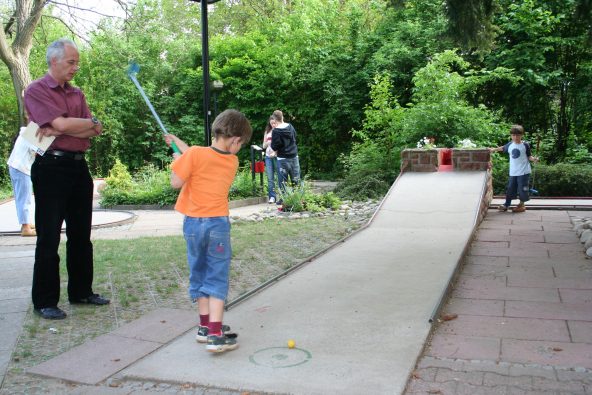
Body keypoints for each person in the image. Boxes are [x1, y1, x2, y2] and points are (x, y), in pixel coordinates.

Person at [24, 38, 110, 320]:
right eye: (71, 62)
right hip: (51, 168)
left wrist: (71, 126)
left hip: (78, 168)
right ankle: (45, 301)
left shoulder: (77, 94)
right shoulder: (36, 90)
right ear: (53, 61)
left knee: (81, 235)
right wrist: (80, 125)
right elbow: (64, 125)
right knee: (49, 236)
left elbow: (92, 130)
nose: (76, 67)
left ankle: (81, 291)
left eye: (77, 62)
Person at [165, 109, 253, 353]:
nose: (240, 148)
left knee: (200, 272)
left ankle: (204, 328)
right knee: (216, 275)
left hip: (193, 225)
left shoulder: (194, 155)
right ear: (235, 140)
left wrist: (177, 161)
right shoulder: (230, 161)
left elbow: (177, 179)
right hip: (216, 225)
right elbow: (198, 154)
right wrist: (178, 146)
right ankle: (216, 333)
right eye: (241, 144)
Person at [490, 124, 539, 213]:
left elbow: (529, 156)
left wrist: (534, 159)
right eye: (513, 135)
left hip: (524, 172)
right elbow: (502, 148)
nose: (516, 137)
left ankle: (521, 205)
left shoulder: (525, 145)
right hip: (513, 172)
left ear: (522, 135)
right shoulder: (510, 144)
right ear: (511, 135)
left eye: (518, 135)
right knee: (510, 188)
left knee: (523, 188)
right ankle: (506, 205)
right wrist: (493, 150)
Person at [7, 126, 37, 237]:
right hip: (21, 168)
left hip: (16, 166)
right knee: (24, 198)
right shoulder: (33, 132)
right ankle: (25, 228)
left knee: (22, 197)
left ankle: (26, 223)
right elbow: (41, 151)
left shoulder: (29, 130)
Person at [270, 110, 300, 197]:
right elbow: (296, 138)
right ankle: (298, 200)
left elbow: (275, 146)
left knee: (283, 181)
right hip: (294, 156)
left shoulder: (276, 131)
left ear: (275, 119)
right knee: (296, 180)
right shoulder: (290, 127)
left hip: (282, 159)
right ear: (282, 117)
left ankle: (284, 201)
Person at [262, 118, 280, 203]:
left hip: (277, 156)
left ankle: (282, 196)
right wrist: (268, 143)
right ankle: (272, 197)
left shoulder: (280, 131)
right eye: (271, 123)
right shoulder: (267, 132)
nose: (273, 125)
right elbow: (264, 146)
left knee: (280, 176)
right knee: (270, 178)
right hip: (268, 156)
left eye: (274, 123)